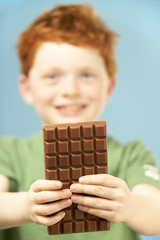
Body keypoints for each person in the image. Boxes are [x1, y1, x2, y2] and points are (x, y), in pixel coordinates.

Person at [0, 3, 160, 240]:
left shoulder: (132, 155)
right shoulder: (10, 153)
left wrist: (130, 206)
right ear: (27, 88)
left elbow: (156, 216)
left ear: (109, 87)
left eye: (86, 75)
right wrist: (25, 206)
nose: (70, 90)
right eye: (52, 76)